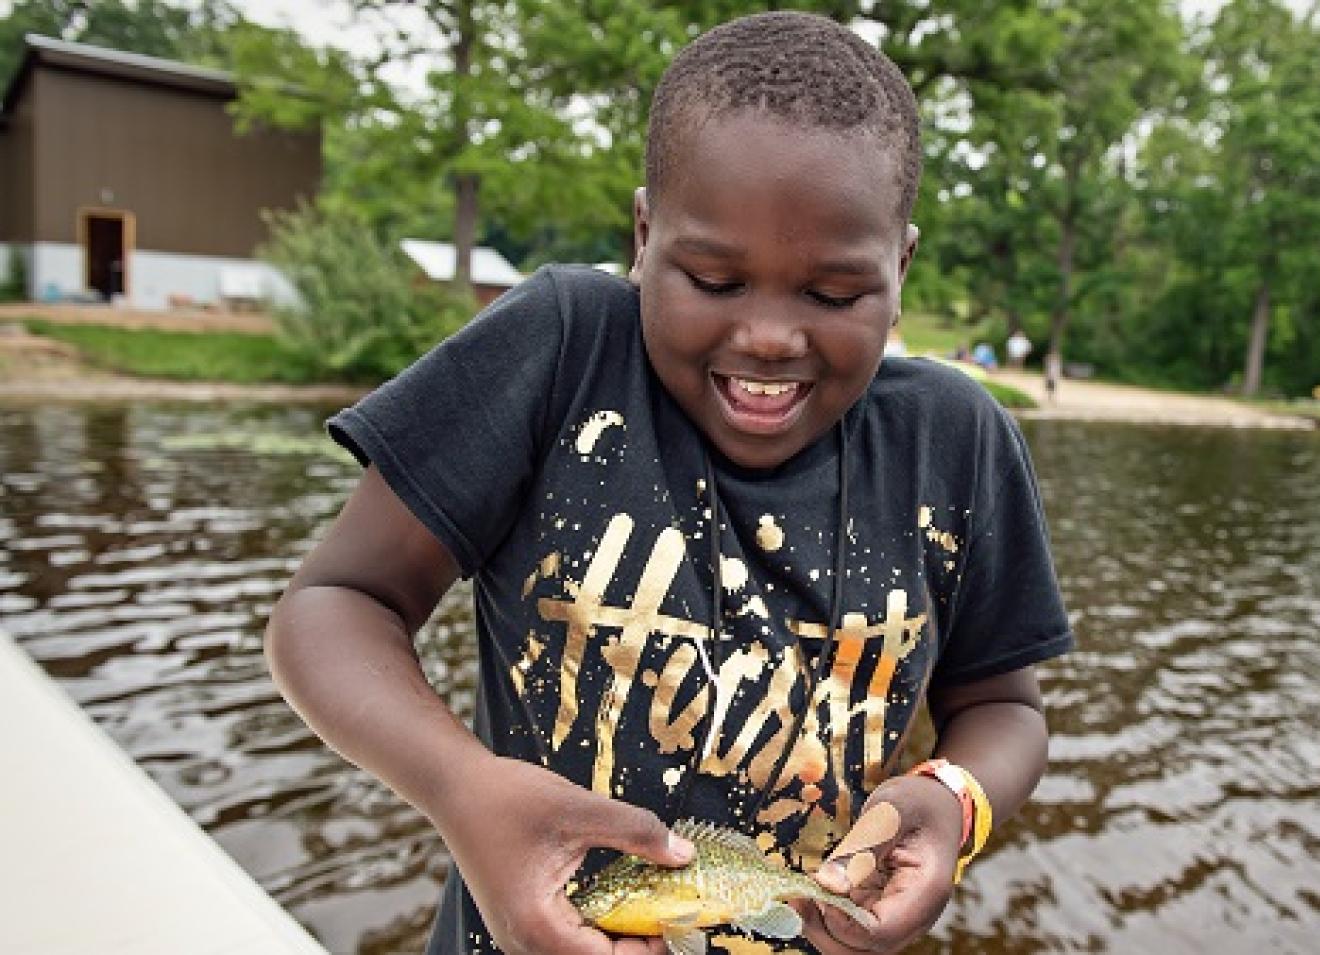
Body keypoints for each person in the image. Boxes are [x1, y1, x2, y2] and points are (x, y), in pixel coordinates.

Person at [266, 13, 1071, 955]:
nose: (770, 335)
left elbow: (1003, 708)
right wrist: (464, 789)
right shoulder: (561, 352)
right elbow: (333, 603)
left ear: (900, 266)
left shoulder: (956, 440)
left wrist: (953, 800)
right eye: (712, 278)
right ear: (644, 235)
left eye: (834, 294)